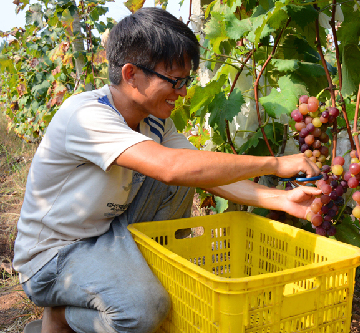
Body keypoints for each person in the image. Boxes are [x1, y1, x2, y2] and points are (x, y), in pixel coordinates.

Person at [13, 7, 321, 333]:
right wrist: (274, 164)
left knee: (192, 172)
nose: (184, 91)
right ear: (131, 74)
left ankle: (130, 286)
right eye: (176, 80)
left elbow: (202, 173)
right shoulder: (86, 115)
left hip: (106, 234)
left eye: (186, 80)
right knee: (143, 311)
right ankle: (61, 316)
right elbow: (171, 167)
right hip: (54, 257)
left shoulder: (155, 121)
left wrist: (282, 200)